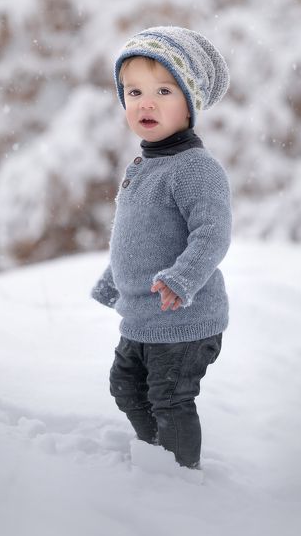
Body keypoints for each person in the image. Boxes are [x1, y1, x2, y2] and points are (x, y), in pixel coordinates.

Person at [90, 26, 233, 470]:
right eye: (133, 92)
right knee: (126, 388)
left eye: (163, 90)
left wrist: (182, 278)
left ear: (191, 104)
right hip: (143, 317)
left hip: (185, 318)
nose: (144, 103)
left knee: (170, 399)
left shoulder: (196, 169)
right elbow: (137, 237)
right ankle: (154, 458)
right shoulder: (145, 166)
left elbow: (212, 233)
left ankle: (180, 479)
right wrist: (114, 278)